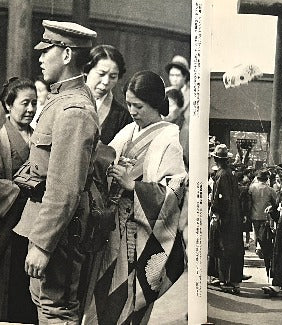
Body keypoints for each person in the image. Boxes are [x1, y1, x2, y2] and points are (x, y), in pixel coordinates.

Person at [82, 70, 187, 324]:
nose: (132, 110)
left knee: (127, 301)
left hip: (139, 236)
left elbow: (175, 190)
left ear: (155, 104)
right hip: (111, 230)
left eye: (138, 106)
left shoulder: (168, 138)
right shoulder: (128, 131)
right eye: (128, 104)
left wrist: (133, 186)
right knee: (101, 297)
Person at [12, 20, 99, 324]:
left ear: (65, 55)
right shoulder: (62, 99)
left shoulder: (73, 110)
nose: (39, 57)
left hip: (59, 232)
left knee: (55, 309)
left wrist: (42, 245)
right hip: (50, 224)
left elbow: (64, 188)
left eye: (46, 49)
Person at [0, 78, 37, 323]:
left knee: (33, 287)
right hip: (9, 225)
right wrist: (19, 187)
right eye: (25, 103)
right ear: (8, 105)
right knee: (12, 287)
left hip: (36, 222)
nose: (31, 109)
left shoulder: (39, 137)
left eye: (34, 103)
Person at [208, 144, 244, 294]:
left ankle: (225, 279)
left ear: (216, 159)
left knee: (223, 247)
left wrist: (215, 213)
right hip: (234, 216)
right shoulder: (230, 174)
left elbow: (219, 199)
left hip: (225, 217)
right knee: (232, 247)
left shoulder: (222, 175)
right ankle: (231, 279)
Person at [84, 44, 133, 144]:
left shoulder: (122, 117)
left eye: (113, 76)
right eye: (101, 74)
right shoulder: (66, 99)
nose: (106, 81)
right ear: (86, 71)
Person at [249, 170, 276, 274]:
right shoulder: (270, 190)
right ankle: (261, 247)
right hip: (265, 215)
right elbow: (275, 201)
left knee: (256, 231)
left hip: (254, 213)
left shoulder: (252, 188)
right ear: (266, 179)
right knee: (264, 233)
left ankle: (257, 247)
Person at [165, 55, 190, 168]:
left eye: (178, 75)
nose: (174, 79)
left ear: (185, 76)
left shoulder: (191, 95)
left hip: (184, 131)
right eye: (172, 75)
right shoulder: (165, 91)